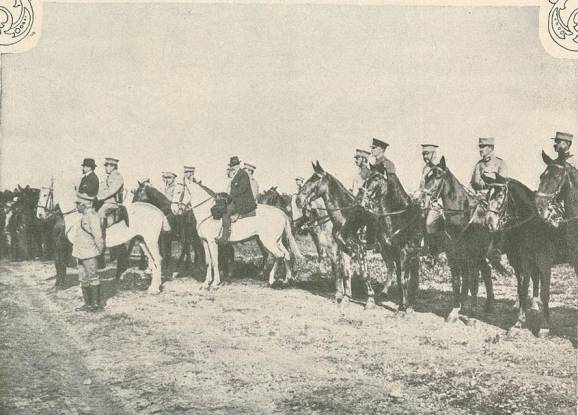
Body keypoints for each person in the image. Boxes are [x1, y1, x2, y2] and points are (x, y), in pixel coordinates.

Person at [73, 192, 105, 312]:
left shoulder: (92, 216)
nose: (76, 207)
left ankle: (95, 305)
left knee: (93, 277)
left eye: (78, 204)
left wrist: (100, 250)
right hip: (80, 253)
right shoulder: (84, 216)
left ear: (84, 205)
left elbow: (98, 236)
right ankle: (88, 303)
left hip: (90, 252)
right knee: (83, 278)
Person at [217, 156, 257, 244]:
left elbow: (242, 189)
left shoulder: (243, 174)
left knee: (226, 212)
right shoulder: (236, 174)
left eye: (234, 165)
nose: (233, 167)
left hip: (243, 201)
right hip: (237, 200)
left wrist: (230, 196)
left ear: (238, 165)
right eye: (232, 165)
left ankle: (225, 237)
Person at [97, 157, 125, 227]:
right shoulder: (110, 177)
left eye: (107, 166)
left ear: (112, 166)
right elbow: (100, 188)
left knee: (101, 213)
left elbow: (111, 191)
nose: (105, 168)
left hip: (113, 203)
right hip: (106, 202)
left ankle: (101, 236)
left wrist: (98, 197)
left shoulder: (118, 177)